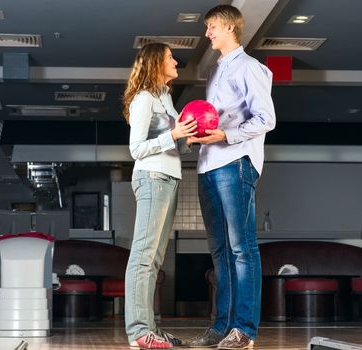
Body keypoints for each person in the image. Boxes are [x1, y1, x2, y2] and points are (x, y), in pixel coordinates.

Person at [186, 5, 276, 350]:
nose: (207, 33)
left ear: (228, 27)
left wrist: (225, 136)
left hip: (235, 162)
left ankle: (245, 330)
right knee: (221, 251)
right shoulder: (216, 70)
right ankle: (221, 327)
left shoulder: (250, 68)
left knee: (242, 249)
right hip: (209, 166)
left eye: (211, 27)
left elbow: (265, 119)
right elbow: (216, 122)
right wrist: (202, 137)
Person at [123, 42, 197, 349]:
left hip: (168, 178)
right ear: (156, 63)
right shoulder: (143, 99)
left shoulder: (164, 97)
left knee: (153, 259)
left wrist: (187, 139)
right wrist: (174, 135)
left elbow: (171, 143)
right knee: (143, 256)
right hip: (151, 177)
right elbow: (137, 148)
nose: (176, 61)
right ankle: (139, 331)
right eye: (170, 58)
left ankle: (149, 329)